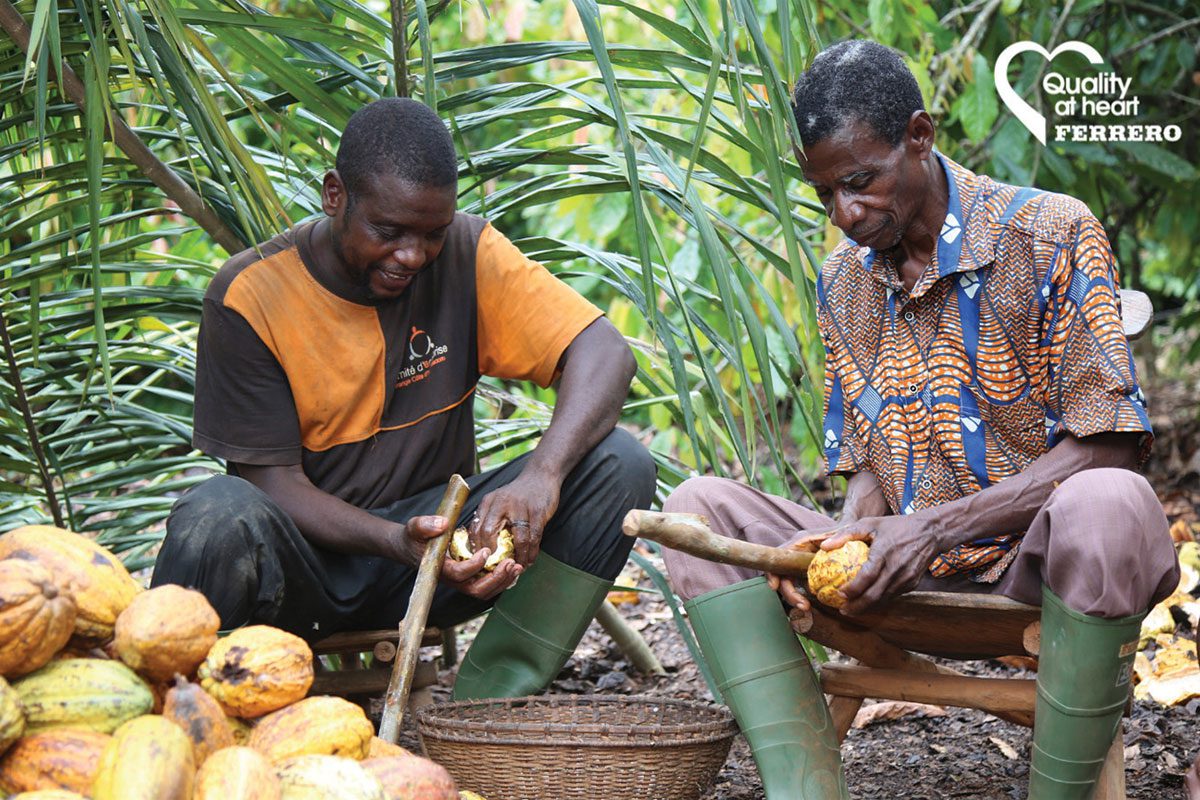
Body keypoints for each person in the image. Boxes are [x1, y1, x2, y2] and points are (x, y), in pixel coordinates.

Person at [659, 40, 1180, 799]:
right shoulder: (845, 280)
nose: (845, 214)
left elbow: (1108, 452)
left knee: (1113, 503)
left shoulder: (1051, 234)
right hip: (903, 579)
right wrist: (843, 544)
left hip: (1037, 578)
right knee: (697, 507)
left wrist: (934, 529)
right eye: (825, 195)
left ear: (920, 136)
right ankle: (803, 788)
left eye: (861, 182)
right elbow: (871, 464)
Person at [151, 97, 656, 701]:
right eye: (387, 232)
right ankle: (170, 713)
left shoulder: (469, 252)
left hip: (446, 555)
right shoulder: (250, 295)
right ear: (335, 194)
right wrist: (397, 542)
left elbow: (606, 353)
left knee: (620, 466)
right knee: (216, 515)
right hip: (306, 570)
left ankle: (483, 708)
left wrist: (543, 475)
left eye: (431, 233)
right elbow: (269, 484)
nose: (412, 255)